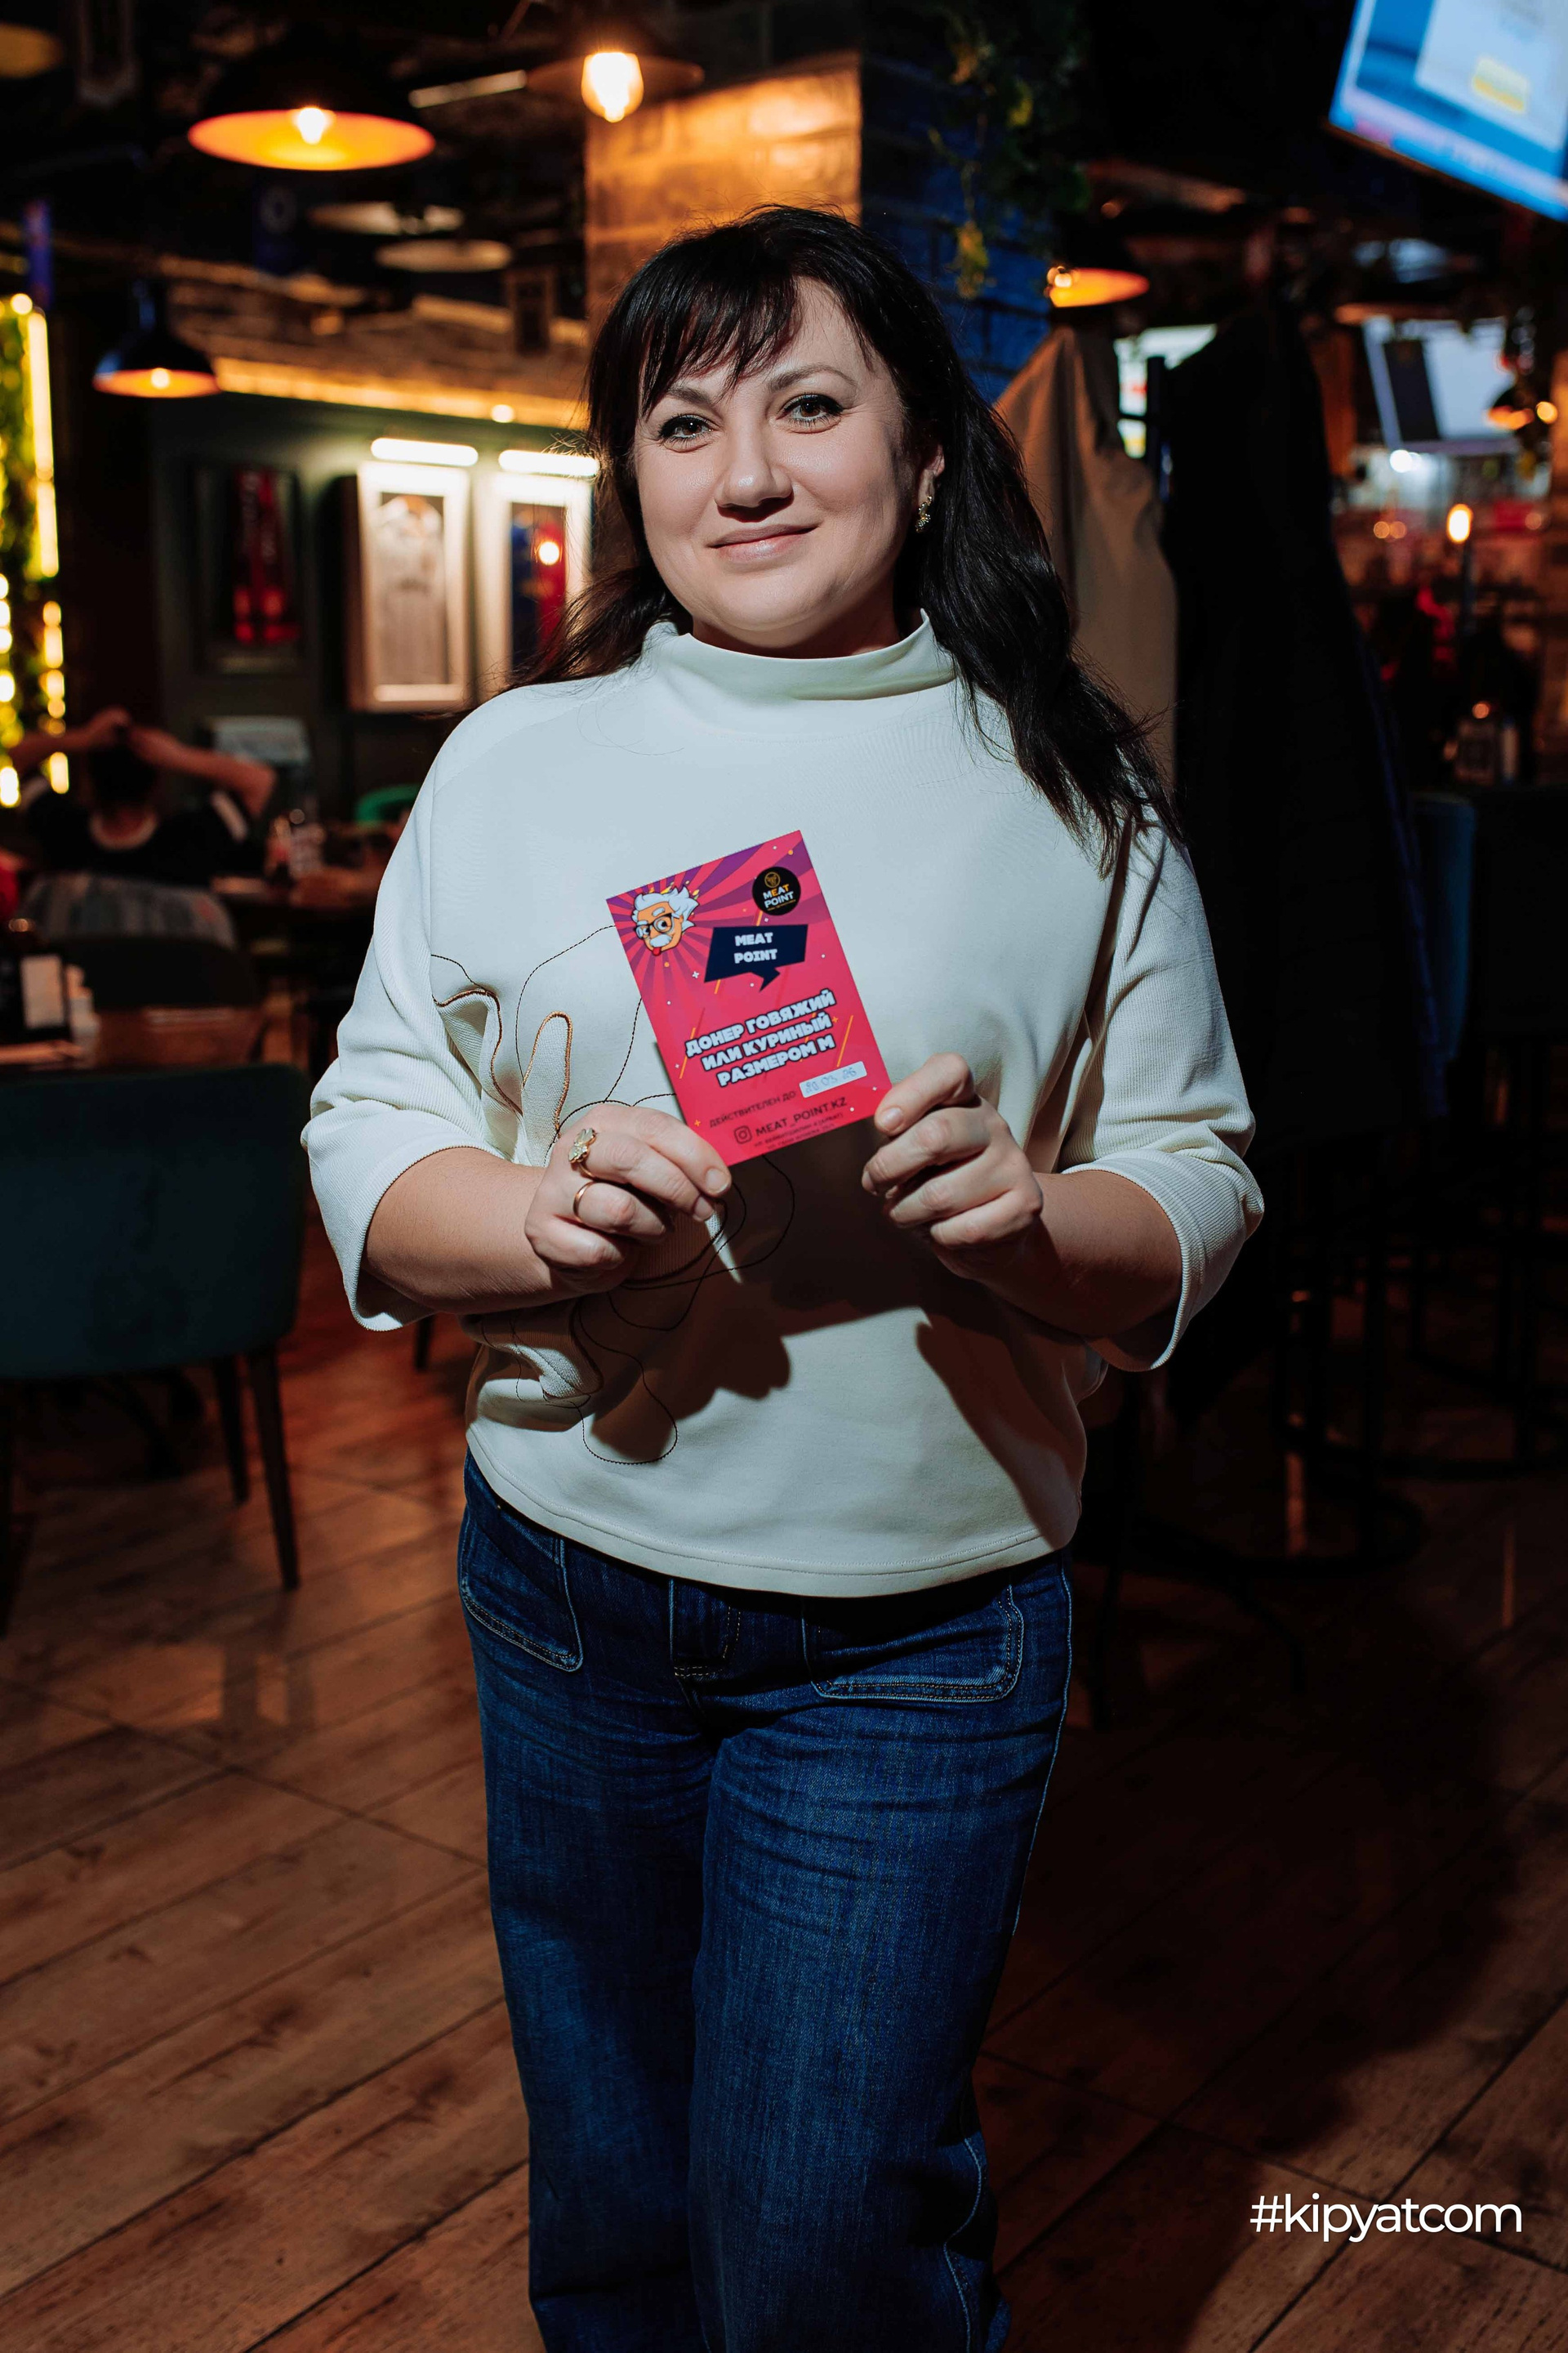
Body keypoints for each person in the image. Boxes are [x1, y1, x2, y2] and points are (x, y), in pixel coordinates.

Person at [307, 207, 1262, 2352]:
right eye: (683, 423)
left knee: (827, 2235)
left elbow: (1199, 1177)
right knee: (621, 2202)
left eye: (808, 407)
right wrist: (535, 1224)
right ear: (631, 474)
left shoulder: (1071, 782)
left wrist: (1032, 1216)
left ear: (922, 454)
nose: (743, 472)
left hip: (915, 1632)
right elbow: (370, 1122)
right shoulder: (514, 760)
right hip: (563, 1583)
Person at [12, 706, 274, 887]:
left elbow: (19, 754)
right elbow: (260, 780)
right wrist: (176, 755)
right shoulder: (189, 839)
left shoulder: (64, 832)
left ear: (89, 783)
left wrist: (83, 739)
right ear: (156, 784)